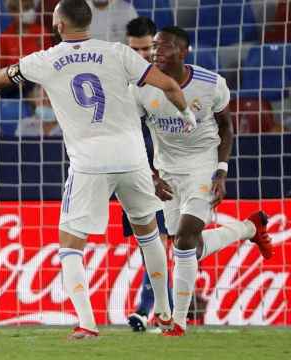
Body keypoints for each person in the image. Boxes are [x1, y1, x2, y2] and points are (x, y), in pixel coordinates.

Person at [0, 0, 198, 339]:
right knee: (149, 236)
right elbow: (171, 86)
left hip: (90, 163)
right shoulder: (119, 52)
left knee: (71, 246)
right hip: (132, 159)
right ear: (89, 21)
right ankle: (163, 310)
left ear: (58, 24)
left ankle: (87, 323)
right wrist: (187, 117)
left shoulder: (45, 59)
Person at [132, 26, 273, 336]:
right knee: (188, 250)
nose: (156, 52)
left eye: (164, 47)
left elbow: (226, 127)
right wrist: (151, 175)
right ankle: (249, 228)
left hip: (202, 167)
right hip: (166, 173)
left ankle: (177, 324)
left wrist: (220, 171)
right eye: (154, 46)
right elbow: (131, 134)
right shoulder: (141, 87)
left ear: (184, 53)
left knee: (183, 241)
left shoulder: (212, 84)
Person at [123, 16, 171, 332]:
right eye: (134, 50)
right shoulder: (122, 84)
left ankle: (147, 308)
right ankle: (161, 310)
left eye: (145, 49)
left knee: (164, 243)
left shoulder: (170, 82)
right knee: (151, 244)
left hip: (170, 176)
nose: (140, 56)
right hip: (134, 174)